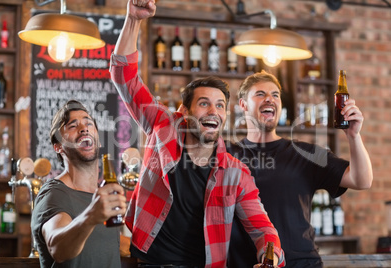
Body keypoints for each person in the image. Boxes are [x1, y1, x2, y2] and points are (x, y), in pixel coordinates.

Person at [109, 1, 285, 267]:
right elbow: (124, 76)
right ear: (184, 111)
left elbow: (263, 229)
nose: (213, 111)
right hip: (146, 262)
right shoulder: (162, 127)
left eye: (220, 105)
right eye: (204, 103)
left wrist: (270, 258)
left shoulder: (236, 173)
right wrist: (133, 19)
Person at [227, 70, 373, 268]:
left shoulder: (306, 152)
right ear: (243, 104)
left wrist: (354, 136)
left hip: (301, 263)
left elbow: (361, 180)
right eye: (260, 94)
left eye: (275, 95)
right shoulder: (227, 155)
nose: (270, 99)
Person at [31, 100, 127, 268]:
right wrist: (91, 216)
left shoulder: (102, 197)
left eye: (88, 123)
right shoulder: (54, 194)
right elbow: (57, 247)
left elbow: (109, 245)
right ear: (58, 147)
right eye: (72, 126)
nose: (84, 128)